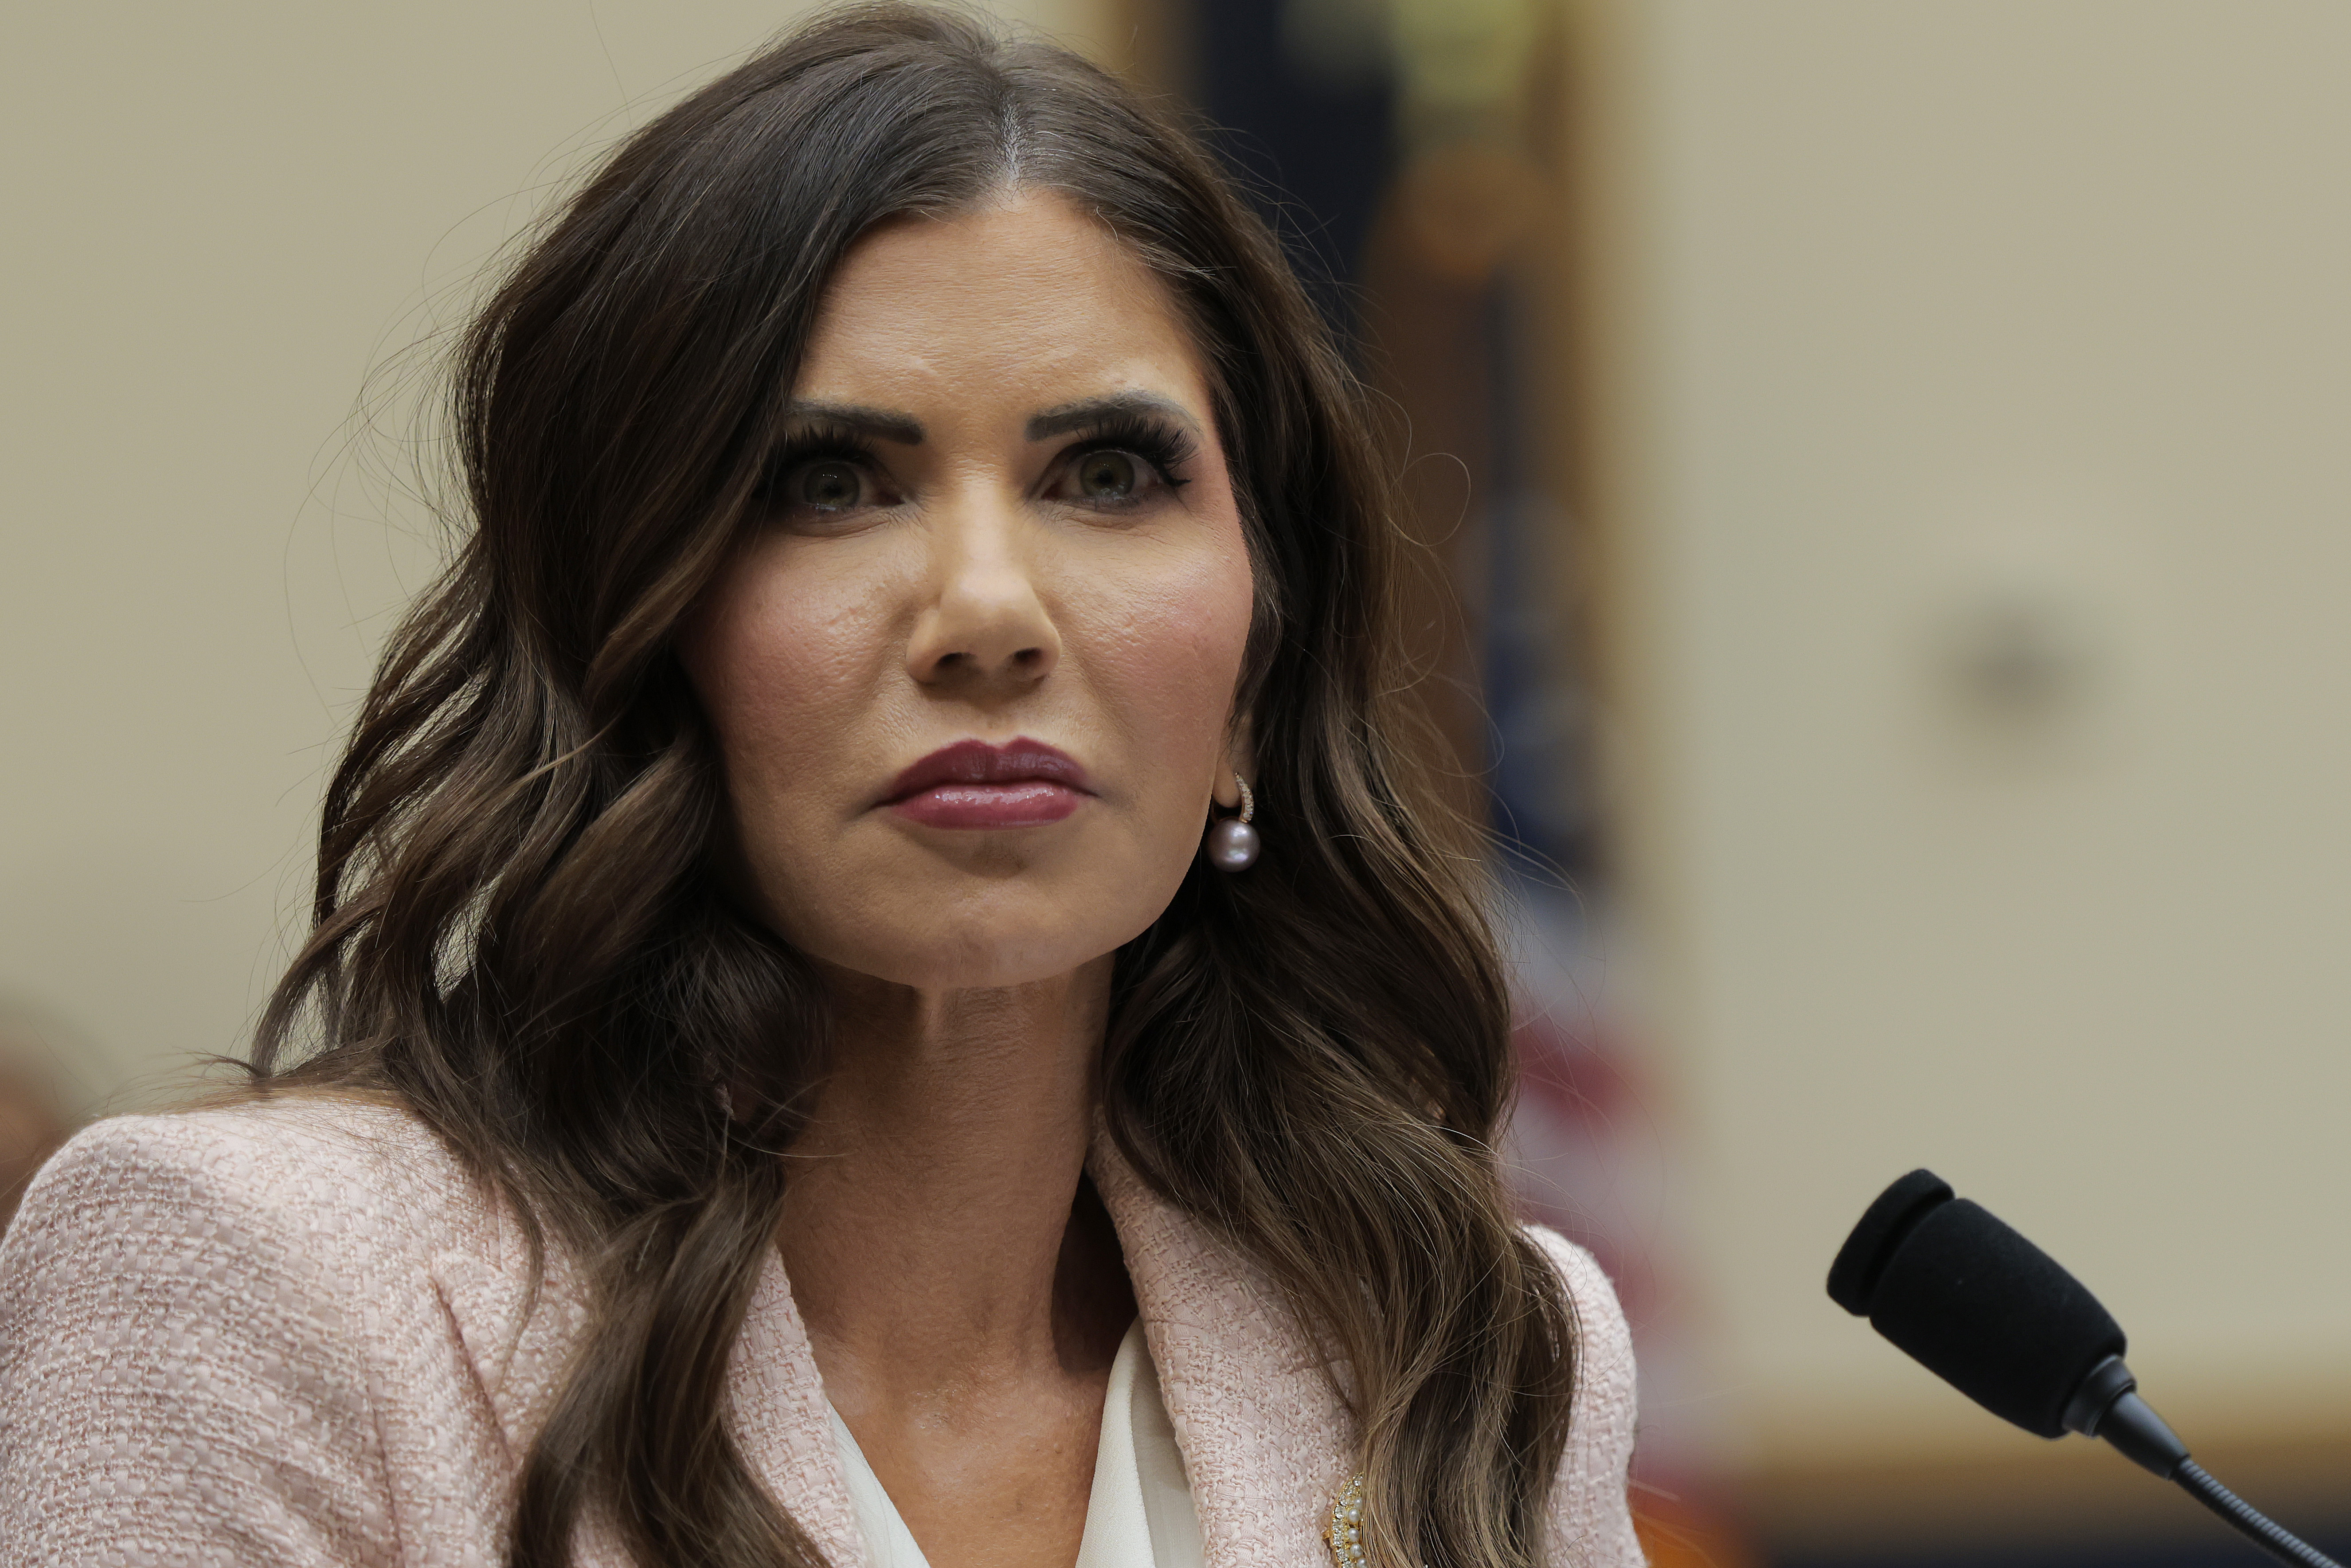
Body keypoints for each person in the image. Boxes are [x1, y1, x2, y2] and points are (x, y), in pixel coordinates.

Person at [0, 8, 1640, 1566]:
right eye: (832, 483)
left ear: (1253, 679)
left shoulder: (1462, 1347)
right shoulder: (254, 1282)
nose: (988, 610)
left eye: (1108, 474)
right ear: (631, 635)